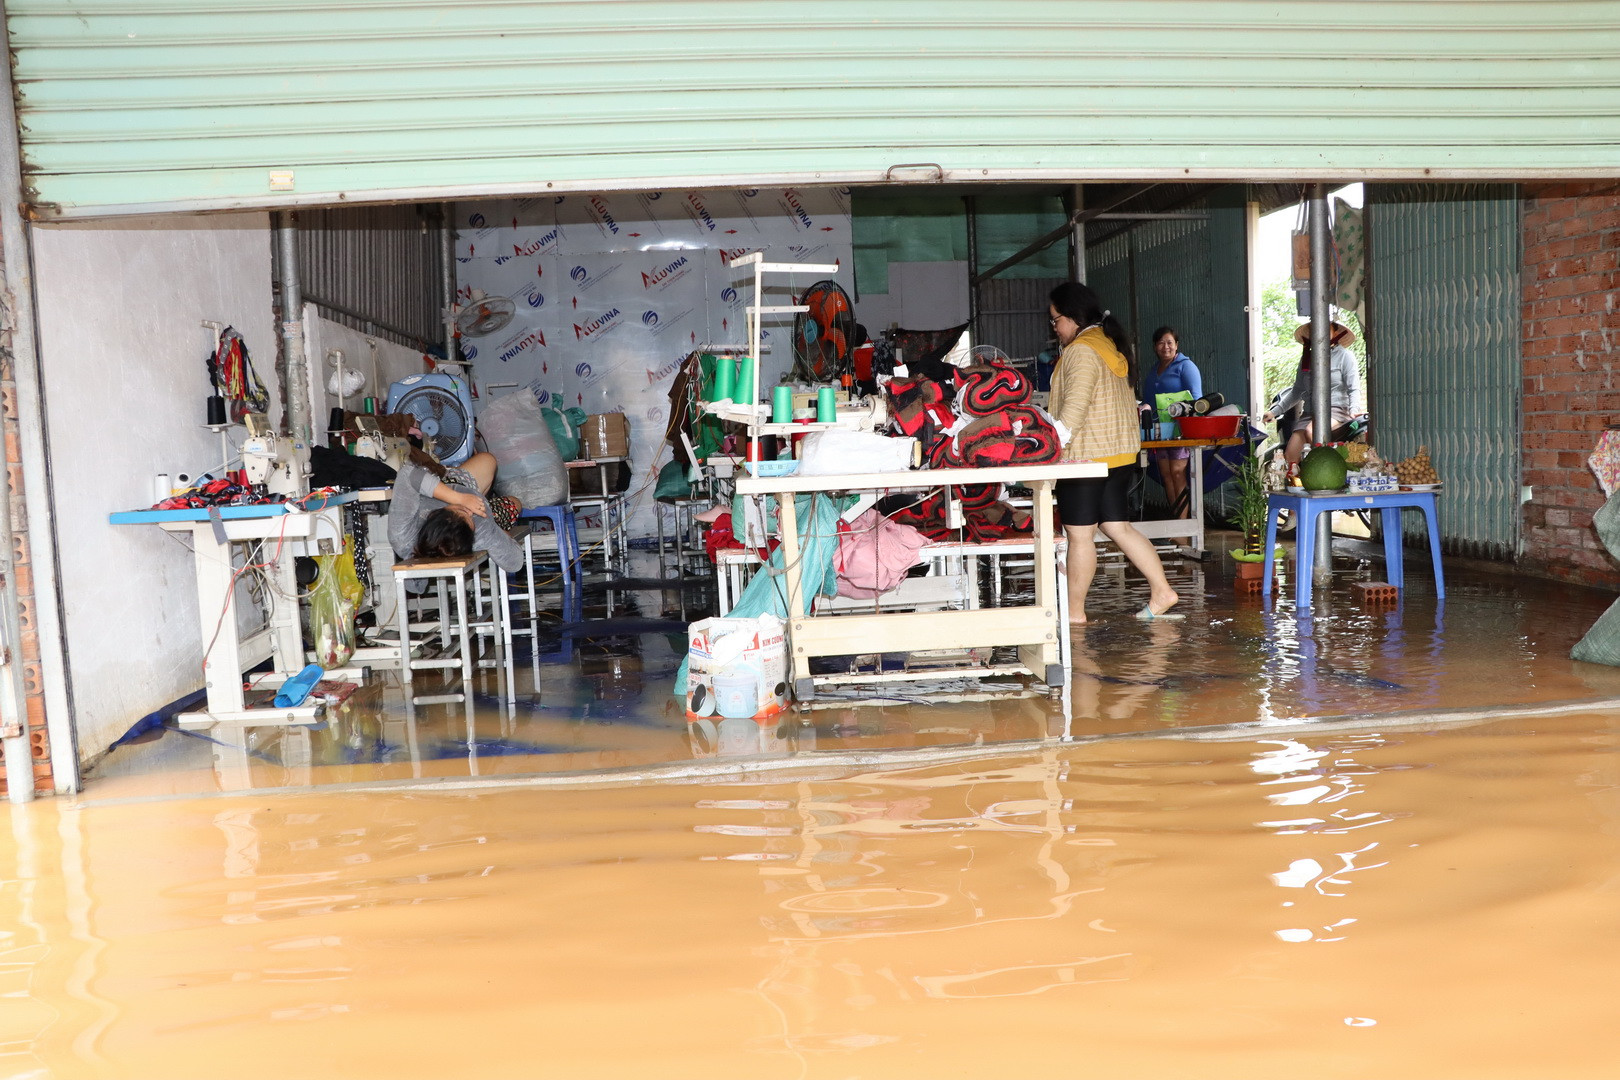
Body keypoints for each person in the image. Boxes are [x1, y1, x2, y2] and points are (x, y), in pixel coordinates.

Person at [1047, 282, 1182, 623]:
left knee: (1079, 535)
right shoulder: (1107, 344)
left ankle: (1074, 614)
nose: (1054, 328)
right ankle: (1162, 591)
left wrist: (1050, 448)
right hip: (1118, 454)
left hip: (1087, 458)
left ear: (1074, 317)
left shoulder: (1080, 350)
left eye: (1056, 320)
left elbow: (1075, 406)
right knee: (1117, 526)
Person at [387, 450, 525, 574]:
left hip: (450, 488)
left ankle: (470, 497)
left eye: (461, 510)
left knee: (487, 459)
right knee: (515, 504)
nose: (470, 512)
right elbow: (515, 562)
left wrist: (458, 498)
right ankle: (492, 513)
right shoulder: (481, 527)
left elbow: (408, 474)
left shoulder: (402, 535)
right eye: (468, 517)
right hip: (485, 513)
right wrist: (496, 532)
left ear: (434, 514)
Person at [1266, 320, 1363, 465]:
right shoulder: (1306, 359)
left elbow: (1354, 388)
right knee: (1290, 456)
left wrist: (1354, 410)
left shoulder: (1345, 356)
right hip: (1310, 413)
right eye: (1314, 330)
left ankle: (1329, 469)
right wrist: (1274, 412)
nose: (1319, 333)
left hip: (1336, 410)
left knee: (1312, 432)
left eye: (1325, 329)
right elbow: (1297, 391)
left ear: (1335, 333)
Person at [1143, 325, 1202, 518]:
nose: (1165, 347)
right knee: (1166, 476)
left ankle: (1183, 528)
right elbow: (1148, 401)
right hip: (1159, 431)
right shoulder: (1154, 371)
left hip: (1179, 429)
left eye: (1169, 342)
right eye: (1161, 343)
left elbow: (1197, 399)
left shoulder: (1186, 366)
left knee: (1178, 473)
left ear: (1176, 345)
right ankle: (1178, 522)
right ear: (1154, 346)